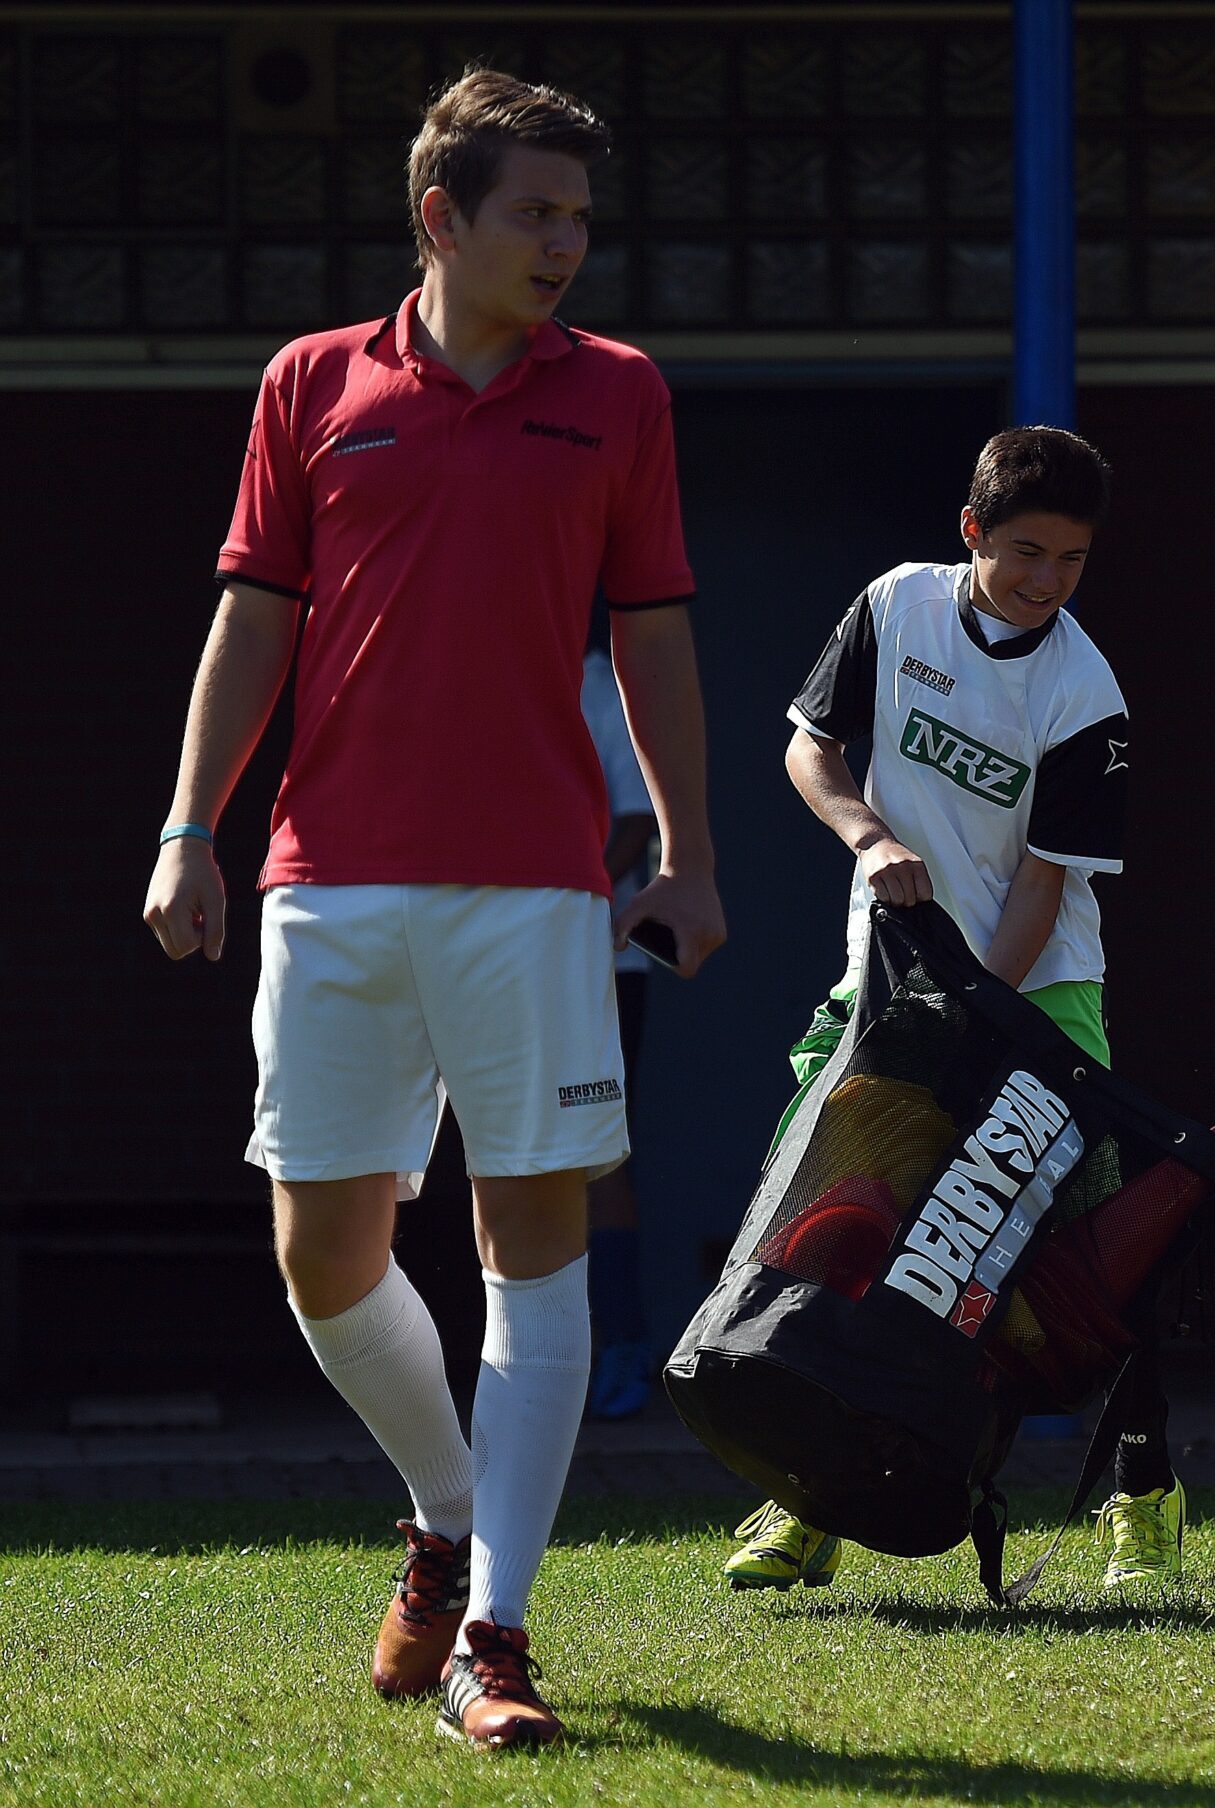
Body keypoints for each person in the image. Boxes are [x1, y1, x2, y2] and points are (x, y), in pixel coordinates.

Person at [140, 70, 724, 1749]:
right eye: (536, 213)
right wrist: (192, 826)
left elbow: (658, 635)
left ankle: (499, 1631)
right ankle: (444, 1506)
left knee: (530, 1255)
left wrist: (686, 851)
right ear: (439, 221)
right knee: (324, 1254)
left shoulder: (617, 395)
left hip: (537, 888)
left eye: (580, 219)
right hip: (325, 879)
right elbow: (252, 620)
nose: (567, 245)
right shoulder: (309, 381)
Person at [722, 425, 1189, 1592]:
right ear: (971, 531)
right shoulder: (893, 608)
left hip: (1039, 999)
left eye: (1072, 560)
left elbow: (1043, 883)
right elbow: (808, 750)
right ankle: (808, 1503)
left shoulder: (1089, 693)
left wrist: (976, 1020)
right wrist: (870, 836)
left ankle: (1144, 1493)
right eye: (1025, 550)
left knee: (1082, 1271)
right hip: (882, 990)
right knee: (828, 1240)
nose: (1044, 581)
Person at [579, 619, 662, 1420]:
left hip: (598, 964)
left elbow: (638, 819)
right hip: (503, 968)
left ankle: (625, 1348)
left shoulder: (598, 682)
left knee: (601, 1155)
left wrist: (564, 896)